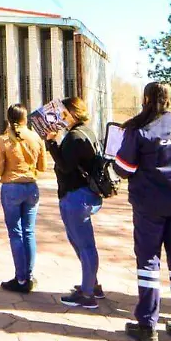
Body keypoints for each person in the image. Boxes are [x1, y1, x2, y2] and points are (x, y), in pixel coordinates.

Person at [114, 83, 171, 341]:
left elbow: (124, 167)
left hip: (149, 206)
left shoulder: (140, 128)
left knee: (149, 261)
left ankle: (147, 326)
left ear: (146, 99)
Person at [46, 97, 106, 308]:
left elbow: (65, 166)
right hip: (85, 193)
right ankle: (92, 284)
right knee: (81, 242)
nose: (60, 116)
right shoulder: (86, 132)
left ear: (72, 113)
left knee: (84, 244)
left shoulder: (74, 137)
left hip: (76, 195)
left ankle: (88, 294)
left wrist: (51, 142)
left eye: (63, 112)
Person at [0, 104, 46, 294]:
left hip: (11, 187)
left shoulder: (3, 140)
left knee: (16, 233)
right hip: (31, 186)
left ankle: (21, 278)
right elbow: (42, 167)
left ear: (8, 119)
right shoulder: (36, 138)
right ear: (26, 118)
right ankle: (29, 276)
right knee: (29, 232)